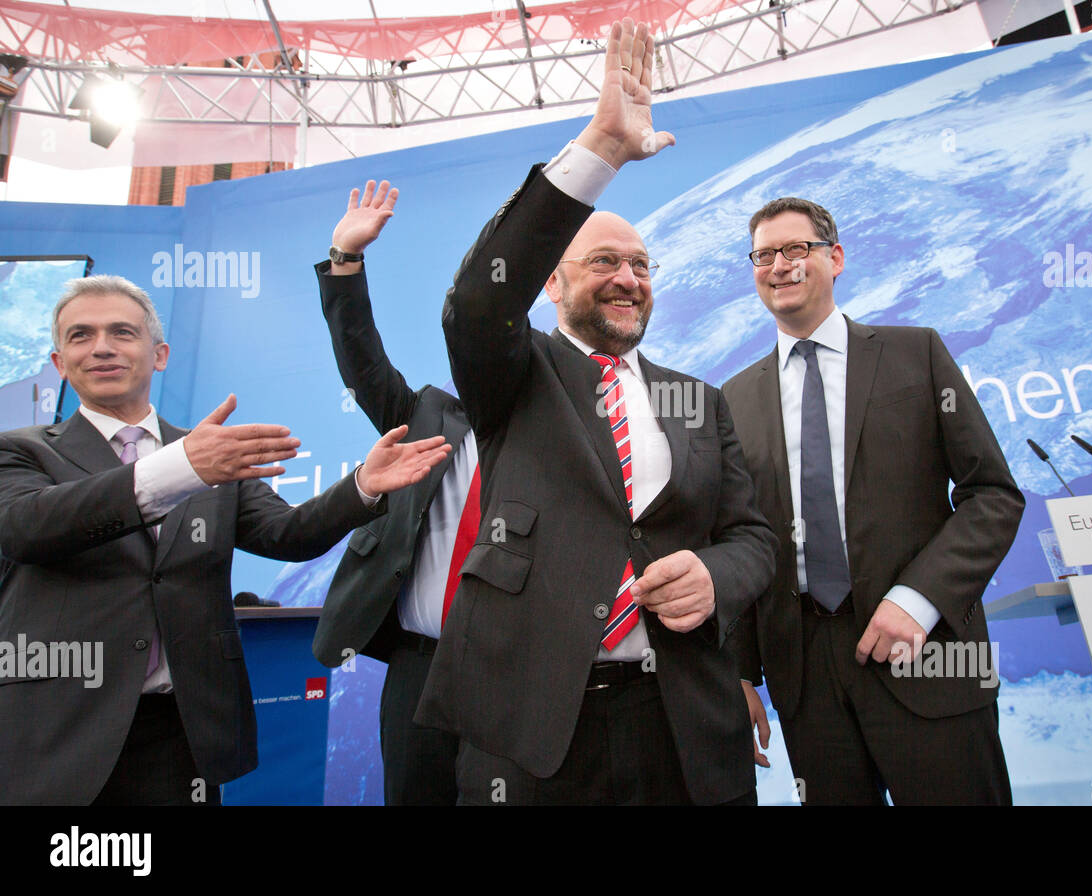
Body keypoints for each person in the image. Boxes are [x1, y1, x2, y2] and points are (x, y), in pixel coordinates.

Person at [415, 18, 778, 805]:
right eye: (603, 261)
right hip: (537, 726)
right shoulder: (514, 372)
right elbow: (478, 301)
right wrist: (602, 149)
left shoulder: (696, 399)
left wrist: (714, 575)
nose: (627, 278)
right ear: (552, 282)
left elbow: (752, 536)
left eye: (642, 265)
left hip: (683, 722)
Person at [0, 275, 450, 806]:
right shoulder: (21, 451)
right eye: (80, 335)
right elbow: (27, 527)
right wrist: (178, 469)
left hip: (183, 734)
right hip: (61, 736)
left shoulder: (209, 454)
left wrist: (361, 487)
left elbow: (289, 533)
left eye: (122, 332)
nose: (101, 347)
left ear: (159, 353)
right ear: (58, 364)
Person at [722, 197, 1025, 805]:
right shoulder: (731, 399)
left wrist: (919, 601)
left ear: (835, 258)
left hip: (929, 657)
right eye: (763, 255)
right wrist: (740, 674)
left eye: (796, 249)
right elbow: (738, 538)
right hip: (806, 684)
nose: (779, 265)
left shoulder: (917, 353)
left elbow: (991, 495)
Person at [311, 181, 476, 805]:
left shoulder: (551, 434)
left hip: (516, 664)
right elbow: (362, 363)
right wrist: (346, 260)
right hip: (420, 664)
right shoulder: (429, 415)